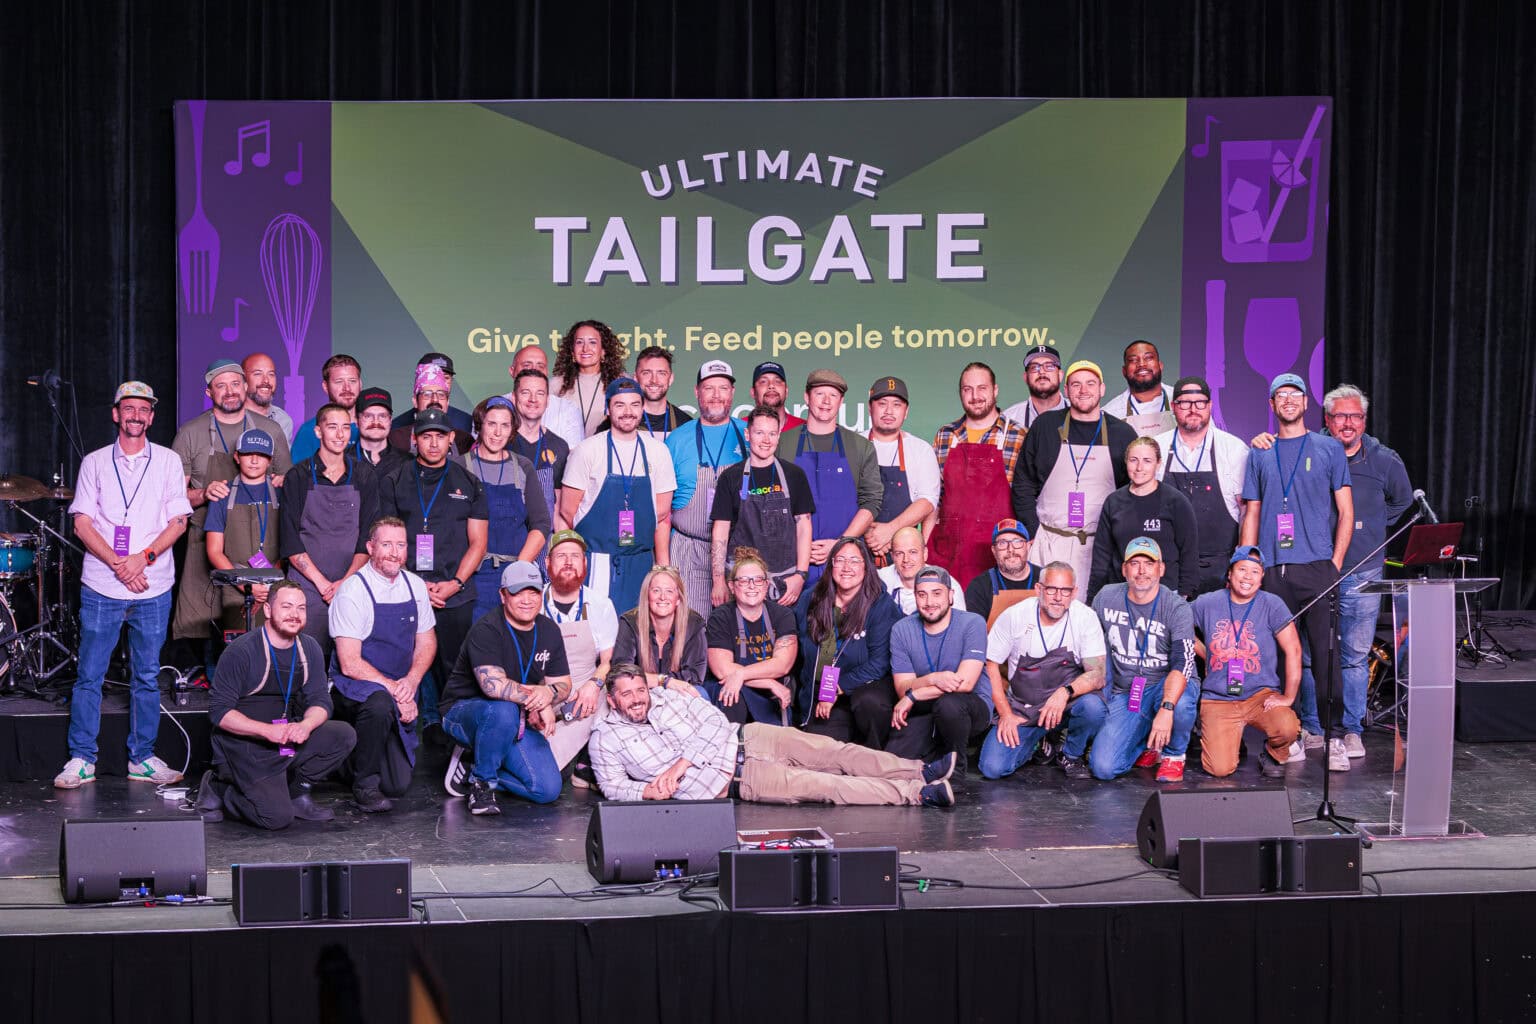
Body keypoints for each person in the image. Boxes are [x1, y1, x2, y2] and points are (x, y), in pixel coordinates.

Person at [1251, 384, 1411, 761]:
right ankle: (1313, 726)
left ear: (1365, 420)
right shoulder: (1314, 449)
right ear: (1326, 418)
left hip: (1361, 569)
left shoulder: (1384, 459)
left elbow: (1402, 501)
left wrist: (1371, 528)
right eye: (1340, 416)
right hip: (1315, 567)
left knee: (1353, 655)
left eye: (1355, 416)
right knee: (1309, 654)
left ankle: (1350, 729)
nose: (1348, 423)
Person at [55, 381, 191, 789]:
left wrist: (141, 559)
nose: (136, 415)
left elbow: (178, 521)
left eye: (143, 409)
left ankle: (142, 758)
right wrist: (119, 564)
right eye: (128, 408)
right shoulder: (95, 462)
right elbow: (82, 523)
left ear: (152, 417)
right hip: (102, 585)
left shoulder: (168, 461)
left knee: (147, 676)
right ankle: (81, 759)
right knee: (89, 675)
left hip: (153, 584)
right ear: (116, 414)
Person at [590, 664, 960, 807]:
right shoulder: (605, 739)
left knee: (837, 753)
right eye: (627, 694)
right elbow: (611, 786)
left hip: (749, 738)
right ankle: (916, 794)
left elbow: (714, 721)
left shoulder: (668, 696)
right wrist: (644, 792)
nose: (638, 699)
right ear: (612, 699)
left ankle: (919, 770)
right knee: (828, 786)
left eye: (640, 690)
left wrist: (682, 763)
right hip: (740, 780)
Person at [1240, 372, 1353, 770]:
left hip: (1317, 568)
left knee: (1326, 656)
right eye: (1280, 395)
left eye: (1295, 394)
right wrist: (1247, 562)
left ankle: (1333, 737)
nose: (1288, 400)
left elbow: (1346, 511)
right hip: (1273, 570)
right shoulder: (1260, 452)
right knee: (1277, 658)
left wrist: (1334, 565)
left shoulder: (1329, 449)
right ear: (1271, 405)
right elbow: (1252, 512)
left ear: (1306, 403)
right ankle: (1290, 736)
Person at [195, 582, 356, 828]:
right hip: (246, 746)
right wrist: (267, 731)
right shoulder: (242, 651)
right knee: (276, 818)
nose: (295, 614)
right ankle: (219, 788)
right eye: (287, 606)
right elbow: (219, 712)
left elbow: (320, 700)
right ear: (268, 610)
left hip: (284, 737)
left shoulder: (309, 648)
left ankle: (297, 793)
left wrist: (306, 725)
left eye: (301, 608)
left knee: (343, 735)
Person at [376, 407, 489, 731]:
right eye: (427, 436)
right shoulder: (395, 480)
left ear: (451, 438)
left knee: (454, 668)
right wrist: (416, 586)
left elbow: (478, 543)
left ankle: (454, 733)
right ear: (415, 439)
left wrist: (455, 583)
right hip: (406, 591)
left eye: (440, 436)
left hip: (455, 594)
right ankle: (414, 733)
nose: (434, 443)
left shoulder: (469, 482)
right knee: (405, 665)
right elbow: (386, 539)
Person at [171, 356, 291, 646]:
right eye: (221, 386)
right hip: (205, 539)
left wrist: (280, 482)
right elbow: (172, 498)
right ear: (208, 392)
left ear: (245, 385)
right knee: (208, 624)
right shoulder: (190, 433)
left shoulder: (270, 430)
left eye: (235, 383)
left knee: (259, 626)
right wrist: (204, 494)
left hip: (261, 543)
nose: (230, 391)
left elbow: (286, 482)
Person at [439, 563, 572, 814]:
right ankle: (482, 783)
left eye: (533, 592)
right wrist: (540, 699)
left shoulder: (549, 630)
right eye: (518, 592)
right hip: (464, 713)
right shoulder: (487, 629)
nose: (527, 600)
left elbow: (564, 682)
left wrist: (549, 694)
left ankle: (473, 763)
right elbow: (494, 687)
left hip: (516, 718)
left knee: (547, 790)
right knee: (502, 710)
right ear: (503, 595)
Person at [327, 517, 437, 812]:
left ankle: (348, 761)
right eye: (386, 544)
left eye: (400, 545)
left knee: (397, 784)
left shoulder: (415, 586)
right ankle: (364, 785)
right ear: (370, 547)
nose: (394, 552)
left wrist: (411, 682)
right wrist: (395, 691)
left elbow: (427, 642)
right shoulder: (353, 591)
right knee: (378, 703)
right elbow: (350, 663)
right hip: (355, 688)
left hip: (400, 687)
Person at [1011, 360, 1136, 603]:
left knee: (1092, 611)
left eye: (1090, 384)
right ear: (1066, 390)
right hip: (1049, 543)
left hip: (1098, 547)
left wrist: (1116, 540)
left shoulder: (1122, 433)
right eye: (1076, 384)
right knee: (1044, 610)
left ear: (1102, 389)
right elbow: (1023, 483)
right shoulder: (1046, 426)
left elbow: (1130, 495)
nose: (1083, 390)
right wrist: (1034, 531)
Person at [978, 561, 1107, 781]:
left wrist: (1064, 692)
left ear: (1074, 592)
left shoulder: (1085, 617)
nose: (1058, 597)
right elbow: (990, 664)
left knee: (1093, 707)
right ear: (1039, 589)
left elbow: (1097, 674)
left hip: (1067, 704)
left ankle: (1070, 754)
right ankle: (1038, 743)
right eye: (1051, 589)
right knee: (992, 768)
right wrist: (1006, 714)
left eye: (1065, 591)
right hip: (1025, 707)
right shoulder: (1015, 616)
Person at [559, 377, 676, 611]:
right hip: (596, 561)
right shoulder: (587, 450)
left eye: (634, 404)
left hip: (641, 563)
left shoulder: (658, 451)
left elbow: (662, 513)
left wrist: (664, 568)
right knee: (594, 627)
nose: (628, 412)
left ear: (642, 408)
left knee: (637, 628)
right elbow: (567, 511)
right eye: (620, 405)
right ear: (608, 409)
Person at [1088, 538, 1199, 782]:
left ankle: (1173, 754)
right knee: (1103, 768)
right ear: (1124, 569)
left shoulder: (1176, 607)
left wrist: (1167, 708)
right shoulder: (1105, 598)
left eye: (1149, 564)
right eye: (1134, 563)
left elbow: (1183, 662)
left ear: (1161, 569)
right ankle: (1149, 743)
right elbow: (1092, 648)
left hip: (1165, 686)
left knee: (1181, 705)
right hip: (1128, 691)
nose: (1141, 571)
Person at [1190, 545, 1303, 778]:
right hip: (1218, 698)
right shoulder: (1207, 602)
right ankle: (1232, 739)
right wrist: (1206, 653)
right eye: (1242, 570)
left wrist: (1289, 697)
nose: (1247, 577)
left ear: (1261, 578)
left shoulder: (1272, 604)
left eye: (1254, 572)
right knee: (1219, 769)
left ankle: (1273, 753)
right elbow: (1178, 624)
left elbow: (1293, 650)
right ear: (1230, 573)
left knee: (1287, 728)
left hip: (1259, 695)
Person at [280, 402, 378, 651]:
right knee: (306, 655)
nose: (340, 434)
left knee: (352, 656)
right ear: (318, 431)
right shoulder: (298, 476)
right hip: (308, 586)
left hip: (353, 582)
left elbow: (368, 537)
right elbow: (290, 540)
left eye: (345, 427)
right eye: (332, 427)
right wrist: (322, 583)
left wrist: (346, 581)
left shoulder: (364, 475)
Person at [779, 369, 883, 588]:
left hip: (845, 565)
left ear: (841, 401)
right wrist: (798, 547)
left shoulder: (860, 447)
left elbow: (871, 502)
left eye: (833, 395)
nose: (826, 401)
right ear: (806, 397)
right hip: (792, 562)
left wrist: (840, 545)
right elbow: (769, 502)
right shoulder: (782, 443)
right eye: (819, 394)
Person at [929, 362, 1028, 592]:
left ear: (995, 390)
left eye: (982, 388)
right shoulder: (946, 435)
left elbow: (1027, 498)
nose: (975, 396)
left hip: (998, 552)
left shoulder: (1018, 435)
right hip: (950, 551)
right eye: (968, 389)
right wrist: (925, 543)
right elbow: (935, 499)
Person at [794, 537, 902, 748]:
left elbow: (879, 664)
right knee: (821, 750)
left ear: (866, 567)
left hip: (866, 689)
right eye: (840, 560)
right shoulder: (813, 598)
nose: (846, 568)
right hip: (824, 693)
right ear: (831, 565)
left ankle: (875, 752)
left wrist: (837, 687)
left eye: (854, 561)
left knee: (869, 703)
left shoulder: (881, 604)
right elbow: (794, 638)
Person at [887, 567, 991, 777]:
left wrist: (915, 694)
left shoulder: (973, 623)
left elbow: (965, 684)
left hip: (970, 706)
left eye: (937, 593)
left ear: (951, 596)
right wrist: (934, 678)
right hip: (927, 709)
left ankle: (956, 771)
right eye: (922, 594)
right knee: (894, 762)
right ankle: (936, 752)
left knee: (949, 705)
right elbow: (902, 688)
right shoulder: (901, 629)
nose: (929, 602)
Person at [666, 360, 747, 618]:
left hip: (738, 552)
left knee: (736, 629)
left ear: (732, 393)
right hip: (687, 551)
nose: (716, 395)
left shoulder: (749, 435)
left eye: (723, 388)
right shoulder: (677, 439)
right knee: (690, 626)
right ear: (696, 392)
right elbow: (662, 509)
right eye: (709, 388)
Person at [1153, 376, 1248, 595]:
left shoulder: (1234, 449)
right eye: (1185, 403)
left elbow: (1246, 511)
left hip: (1219, 570)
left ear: (1210, 405)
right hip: (1167, 568)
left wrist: (1241, 564)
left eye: (1200, 403)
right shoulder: (1156, 446)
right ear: (1173, 406)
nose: (1193, 409)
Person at [710, 405, 814, 605]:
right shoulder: (730, 477)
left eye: (772, 433)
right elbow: (720, 531)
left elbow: (804, 526)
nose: (766, 440)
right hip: (740, 583)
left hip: (784, 583)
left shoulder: (794, 475)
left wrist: (801, 575)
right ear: (747, 435)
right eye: (759, 433)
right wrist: (718, 580)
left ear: (779, 435)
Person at [537, 531, 620, 774]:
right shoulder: (533, 602)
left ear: (584, 563)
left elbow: (607, 661)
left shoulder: (601, 604)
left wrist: (594, 685)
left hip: (584, 690)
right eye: (561, 556)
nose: (568, 562)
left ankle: (569, 763)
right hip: (542, 688)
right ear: (548, 562)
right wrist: (536, 702)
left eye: (575, 556)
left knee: (608, 699)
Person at [465, 396, 550, 619]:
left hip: (516, 575)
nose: (497, 432)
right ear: (480, 425)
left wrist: (519, 569)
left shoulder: (522, 466)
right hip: (473, 575)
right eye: (491, 424)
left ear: (512, 430)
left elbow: (541, 523)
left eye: (504, 425)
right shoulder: (461, 466)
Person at [1088, 436, 1199, 600]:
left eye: (1147, 461)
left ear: (1158, 464)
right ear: (1126, 462)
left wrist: (1183, 595)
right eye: (1133, 460)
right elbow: (1101, 557)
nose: (1139, 467)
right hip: (1121, 593)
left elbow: (1189, 552)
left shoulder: (1176, 501)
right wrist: (1093, 598)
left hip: (1165, 593)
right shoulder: (1113, 502)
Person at [705, 548, 799, 725]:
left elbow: (783, 664)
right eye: (743, 581)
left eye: (758, 580)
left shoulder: (783, 615)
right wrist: (768, 682)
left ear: (766, 585)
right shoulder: (721, 617)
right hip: (736, 688)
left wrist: (741, 673)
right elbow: (722, 670)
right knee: (731, 694)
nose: (752, 586)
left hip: (772, 693)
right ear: (732, 586)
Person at [204, 427, 283, 634]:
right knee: (239, 647)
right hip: (235, 586)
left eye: (261, 455)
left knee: (275, 643)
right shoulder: (222, 495)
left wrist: (266, 587)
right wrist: (246, 586)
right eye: (248, 454)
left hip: (275, 586)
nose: (254, 461)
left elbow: (289, 546)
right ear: (237, 457)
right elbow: (214, 551)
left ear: (270, 460)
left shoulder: (281, 493)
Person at [863, 376, 941, 562]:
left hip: (903, 554)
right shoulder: (854, 444)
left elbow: (927, 501)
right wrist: (870, 535)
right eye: (882, 403)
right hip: (858, 550)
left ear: (906, 411)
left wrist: (889, 531)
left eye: (897, 405)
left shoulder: (920, 449)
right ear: (870, 408)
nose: (889, 411)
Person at [612, 566, 709, 695]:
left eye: (669, 591)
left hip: (679, 691)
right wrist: (664, 681)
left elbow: (695, 675)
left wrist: (664, 683)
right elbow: (621, 672)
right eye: (656, 590)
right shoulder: (630, 622)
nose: (663, 597)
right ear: (647, 596)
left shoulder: (694, 623)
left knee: (700, 692)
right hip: (640, 691)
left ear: (678, 599)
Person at [508, 366, 571, 562]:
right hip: (508, 541)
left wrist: (563, 548)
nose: (533, 399)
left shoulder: (559, 446)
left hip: (545, 543)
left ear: (547, 401)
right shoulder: (502, 443)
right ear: (514, 398)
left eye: (540, 393)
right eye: (525, 392)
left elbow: (559, 508)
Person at [595, 345, 694, 437]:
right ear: (636, 378)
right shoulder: (615, 423)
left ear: (671, 379)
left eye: (661, 373)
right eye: (646, 373)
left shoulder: (686, 424)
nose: (654, 380)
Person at [552, 319, 626, 437]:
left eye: (592, 342)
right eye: (579, 342)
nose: (585, 348)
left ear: (603, 350)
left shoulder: (620, 382)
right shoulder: (557, 384)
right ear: (572, 350)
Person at [505, 344, 584, 450]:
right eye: (527, 365)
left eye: (540, 366)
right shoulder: (495, 406)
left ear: (547, 372)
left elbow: (574, 454)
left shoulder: (567, 409)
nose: (534, 370)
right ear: (512, 371)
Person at [388, 362, 473, 458]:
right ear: (415, 401)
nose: (435, 400)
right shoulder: (396, 439)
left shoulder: (463, 440)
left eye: (441, 394)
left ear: (447, 402)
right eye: (427, 394)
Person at [876, 526, 967, 615]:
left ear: (925, 553)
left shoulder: (947, 585)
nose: (906, 559)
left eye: (913, 552)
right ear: (892, 556)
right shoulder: (879, 579)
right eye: (899, 553)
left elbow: (959, 623)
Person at [963, 519, 1038, 624]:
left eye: (1017, 542)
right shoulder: (979, 587)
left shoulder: (1046, 579)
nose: (1010, 549)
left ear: (1028, 546)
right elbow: (974, 630)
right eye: (1002, 543)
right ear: (994, 550)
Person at [290, 354, 362, 463]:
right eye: (339, 382)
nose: (347, 388)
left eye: (352, 381)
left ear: (360, 384)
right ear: (325, 386)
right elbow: (298, 472)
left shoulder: (372, 429)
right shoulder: (309, 431)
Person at [390, 352, 475, 436]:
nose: (439, 382)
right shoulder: (397, 427)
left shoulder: (466, 423)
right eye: (433, 375)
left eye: (445, 378)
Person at [1103, 340, 1175, 437]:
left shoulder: (1182, 402)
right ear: (1124, 371)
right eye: (1133, 360)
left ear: (1160, 366)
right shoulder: (1109, 414)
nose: (1141, 364)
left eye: (1148, 358)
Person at [1001, 344, 1067, 430]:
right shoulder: (1008, 419)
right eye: (1034, 367)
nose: (1042, 372)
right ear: (1026, 377)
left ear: (1060, 375)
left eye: (1049, 366)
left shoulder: (1079, 413)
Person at [353, 387, 412, 477]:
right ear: (357, 420)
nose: (376, 422)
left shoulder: (408, 463)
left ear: (390, 420)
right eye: (368, 416)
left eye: (382, 416)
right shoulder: (342, 462)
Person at [242, 351, 293, 440]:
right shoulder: (230, 417)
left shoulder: (283, 419)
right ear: (243, 379)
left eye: (271, 374)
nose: (266, 380)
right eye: (258, 374)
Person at [750, 360, 805, 429]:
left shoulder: (804, 428)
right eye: (763, 382)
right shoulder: (740, 428)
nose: (771, 385)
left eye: (777, 381)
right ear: (753, 392)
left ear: (786, 391)